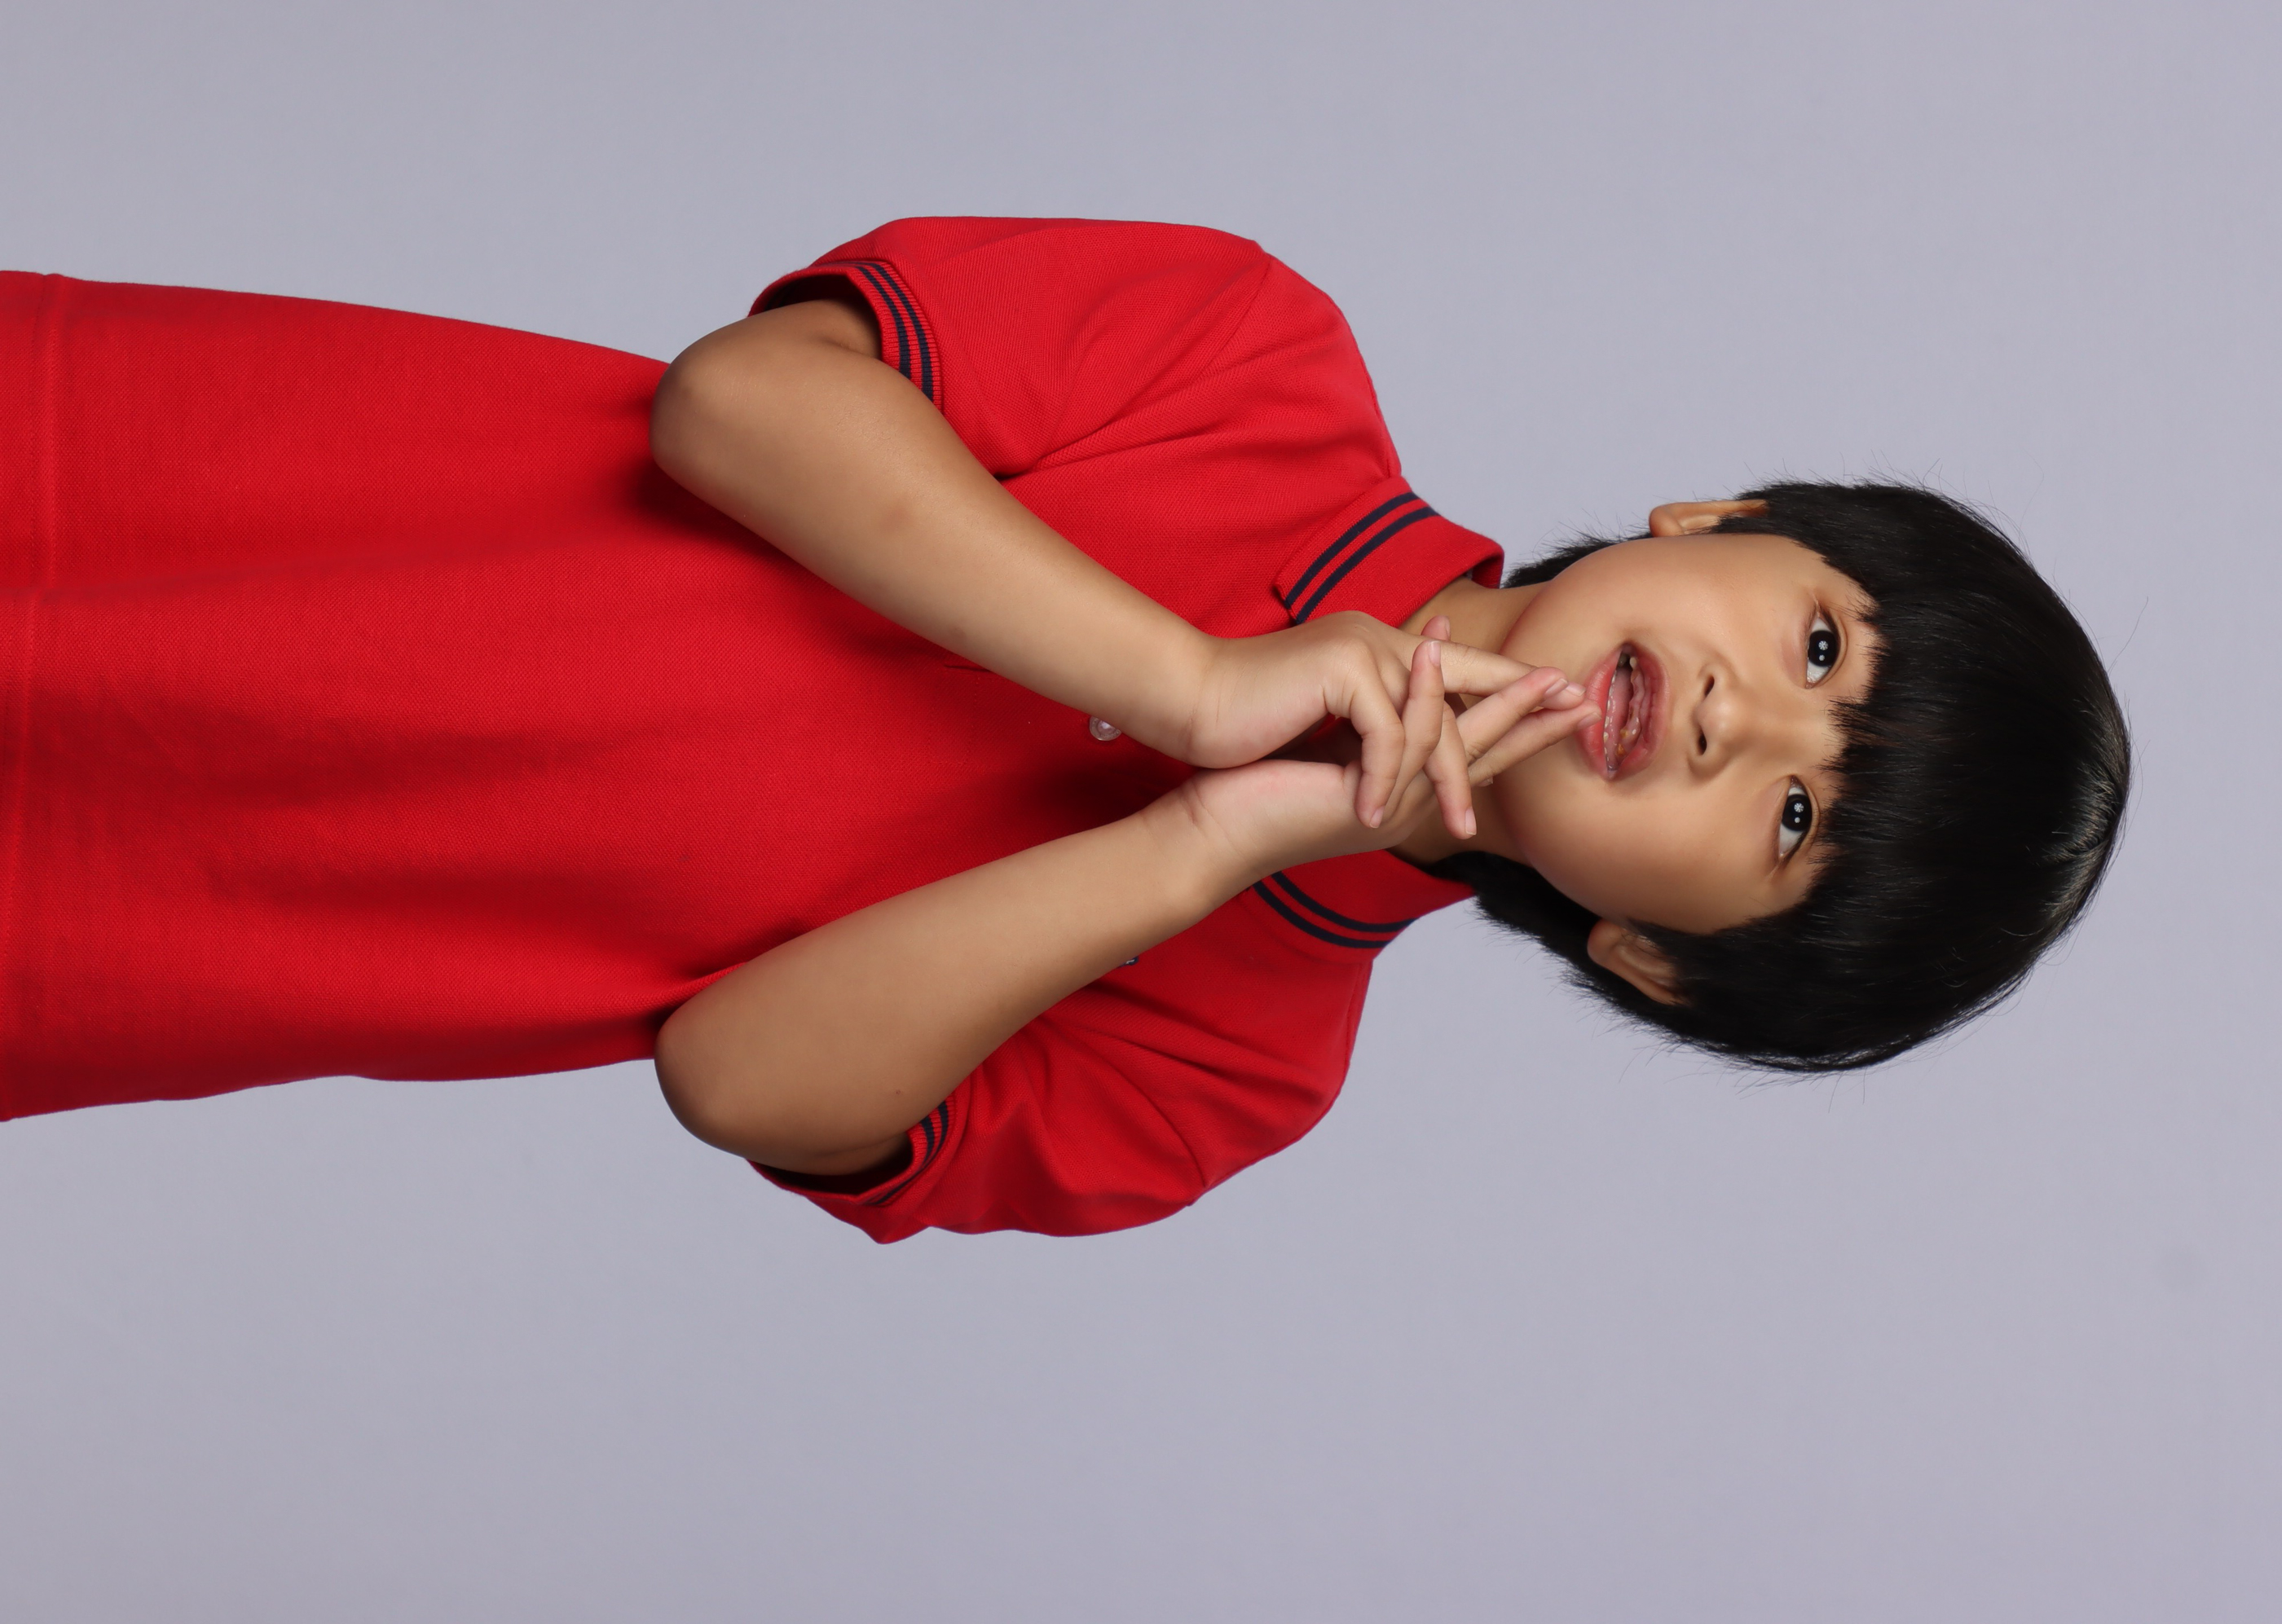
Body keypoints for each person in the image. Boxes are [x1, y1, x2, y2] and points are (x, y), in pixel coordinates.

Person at [0, 218, 2128, 1242]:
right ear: (1718, 518)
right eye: (1821, 645)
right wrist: (1188, 683)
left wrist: (1209, 838)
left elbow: (739, 1076)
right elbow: (738, 405)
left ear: (1655, 958)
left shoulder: (1234, 1070)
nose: (1749, 721)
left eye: (1791, 824)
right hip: (168, 487)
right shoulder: (1257, 363)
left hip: (168, 925)